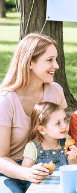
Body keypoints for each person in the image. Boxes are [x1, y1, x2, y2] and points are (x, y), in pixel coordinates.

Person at [0, 33, 67, 193]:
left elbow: (63, 135)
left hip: (47, 169)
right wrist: (27, 173)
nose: (56, 65)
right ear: (30, 62)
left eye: (55, 59)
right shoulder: (6, 100)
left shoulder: (55, 91)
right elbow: (1, 157)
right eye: (49, 60)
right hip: (11, 172)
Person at [22, 102, 77, 171]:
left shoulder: (66, 141)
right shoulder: (32, 148)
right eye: (58, 123)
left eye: (64, 119)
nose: (65, 125)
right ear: (42, 129)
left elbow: (74, 170)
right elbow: (25, 177)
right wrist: (34, 171)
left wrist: (72, 159)